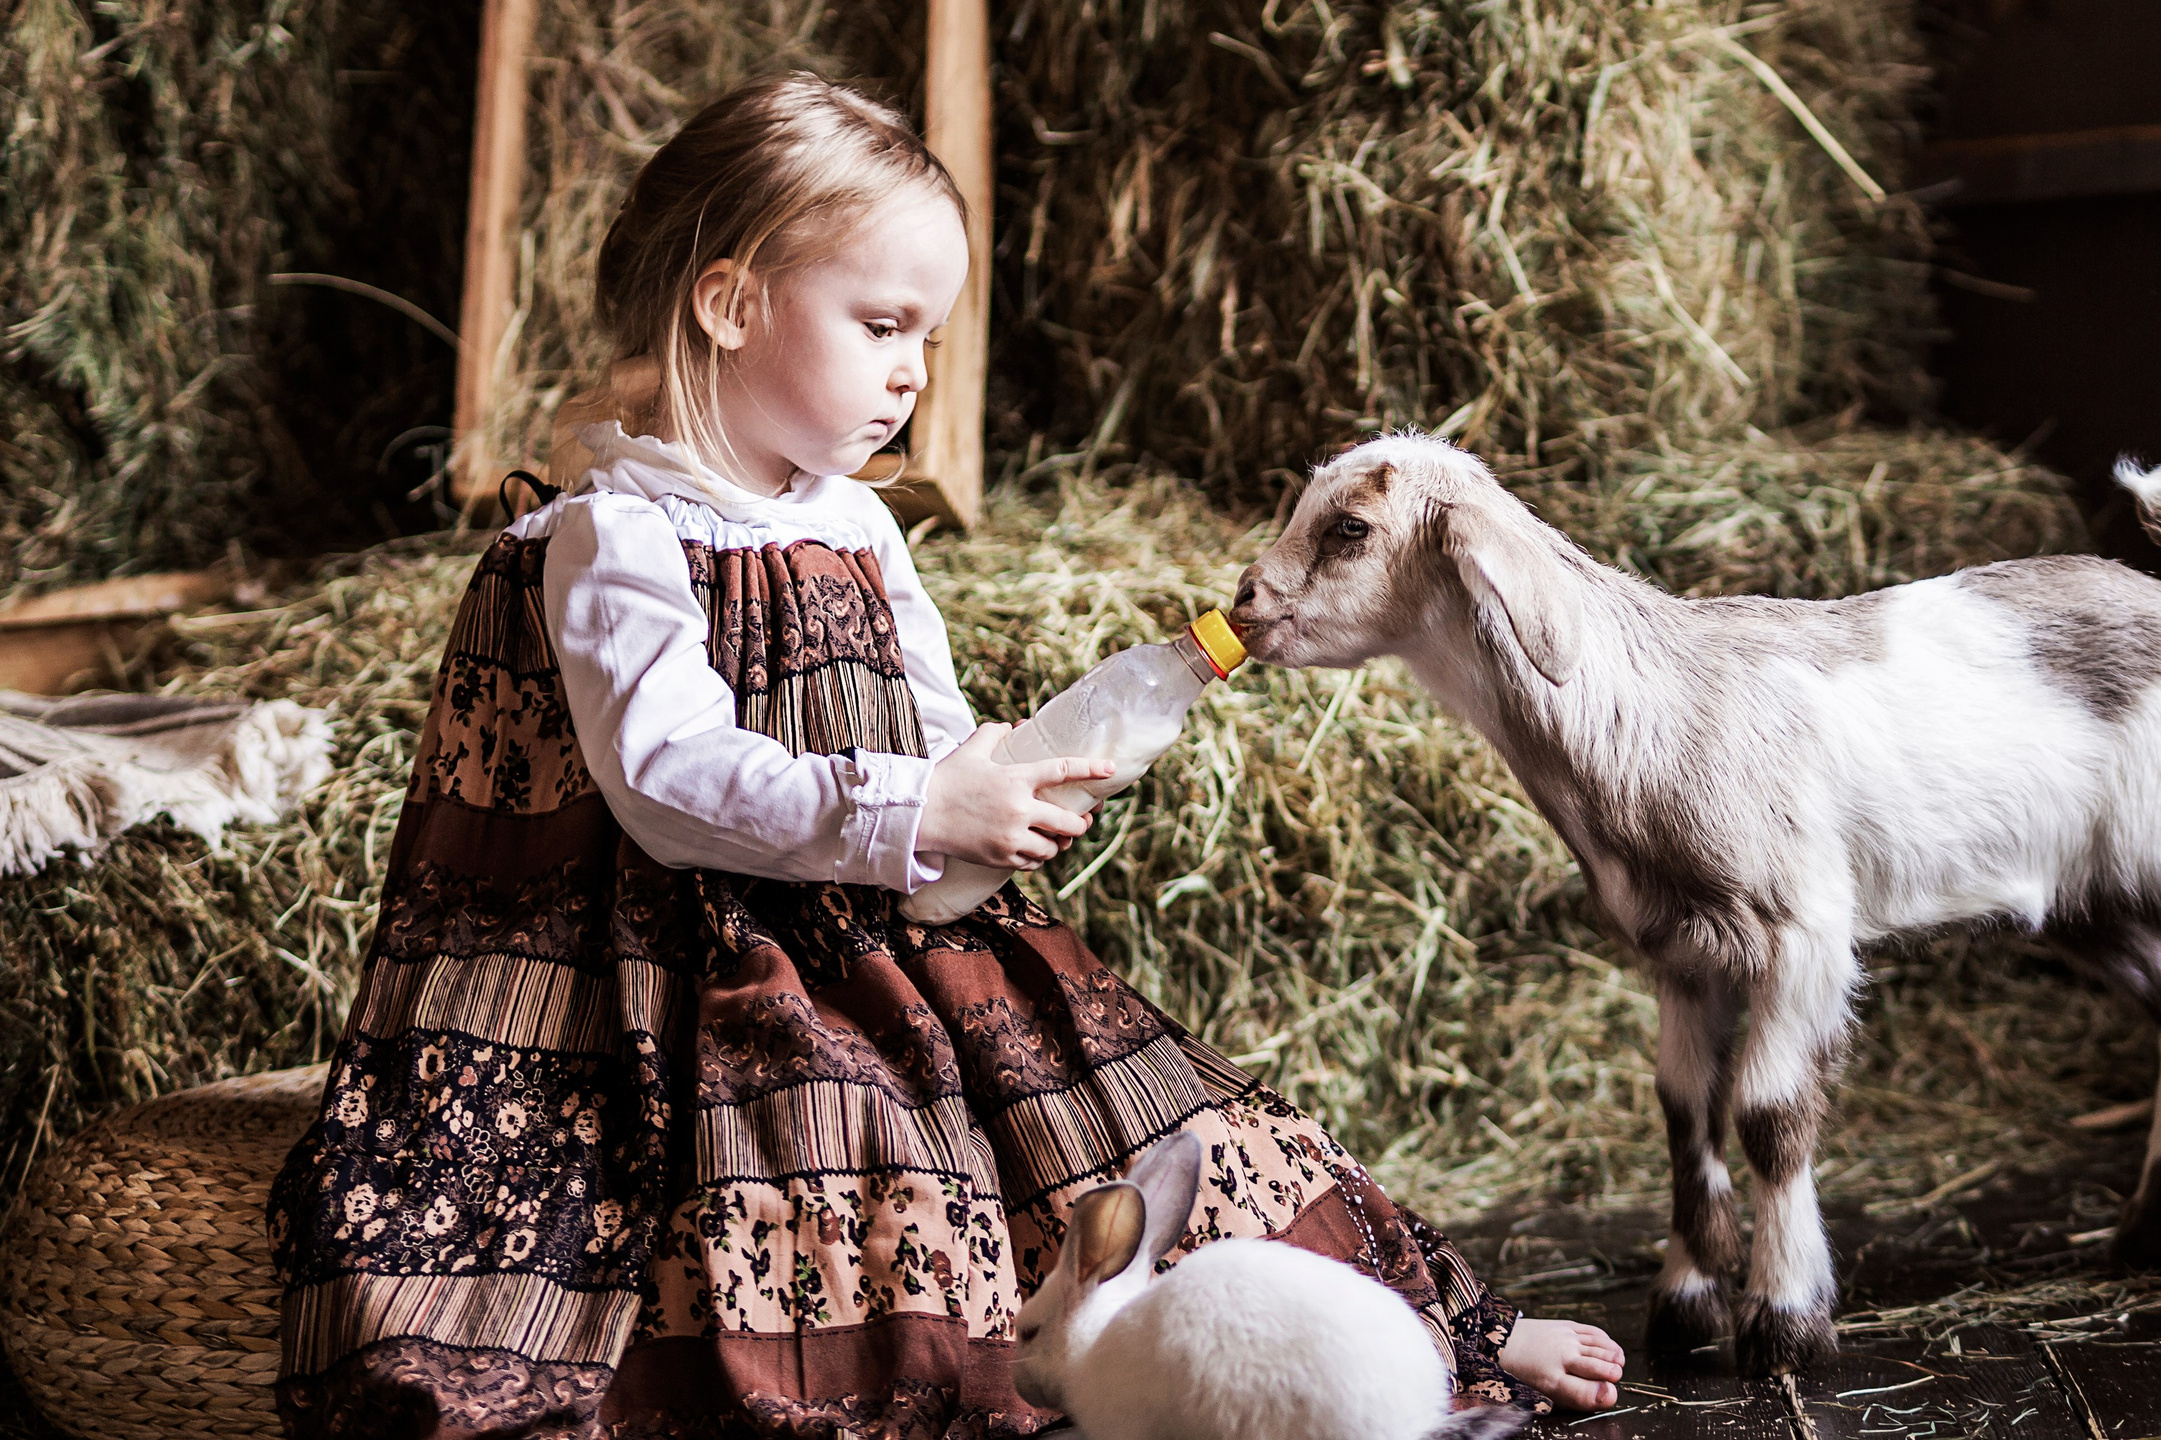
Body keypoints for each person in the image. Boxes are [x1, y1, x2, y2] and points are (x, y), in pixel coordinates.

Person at [268, 71, 1624, 1438]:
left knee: (1151, 1112)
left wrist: (993, 781)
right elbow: (668, 784)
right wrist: (916, 806)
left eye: (928, 331)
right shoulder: (613, 538)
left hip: (894, 907)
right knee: (845, 1142)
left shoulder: (859, 524)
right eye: (883, 324)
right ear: (732, 304)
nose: (917, 369)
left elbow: (921, 714)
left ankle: (1413, 1333)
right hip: (698, 954)